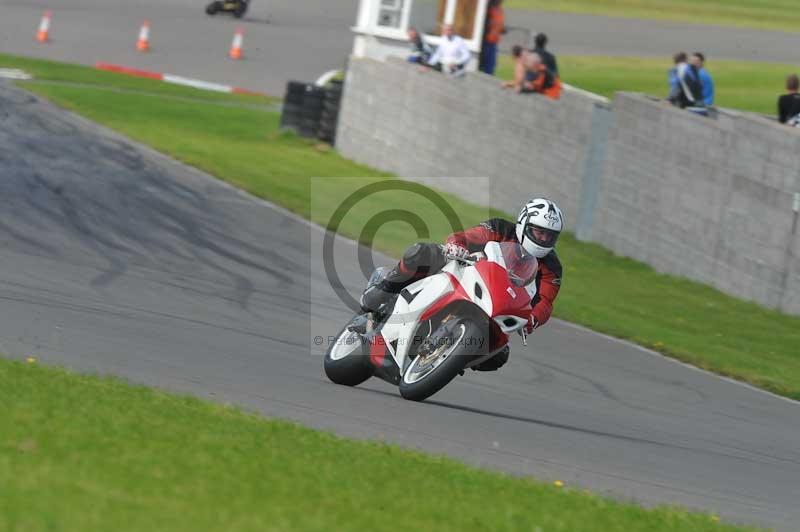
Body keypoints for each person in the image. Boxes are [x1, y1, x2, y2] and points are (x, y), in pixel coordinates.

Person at [360, 198, 564, 372]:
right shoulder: (500, 228)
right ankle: (381, 292)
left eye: (549, 236)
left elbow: (545, 301)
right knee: (420, 253)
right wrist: (457, 246)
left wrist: (532, 320)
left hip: (498, 302)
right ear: (524, 224)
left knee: (498, 355)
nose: (543, 239)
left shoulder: (552, 267)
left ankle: (449, 358)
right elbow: (469, 236)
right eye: (539, 232)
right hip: (464, 268)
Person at [479, 0, 505, 75]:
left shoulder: (499, 9)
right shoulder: (488, 9)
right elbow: (483, 23)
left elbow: (499, 23)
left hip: (494, 42)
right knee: (486, 66)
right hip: (487, 41)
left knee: (491, 66)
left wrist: (501, 29)